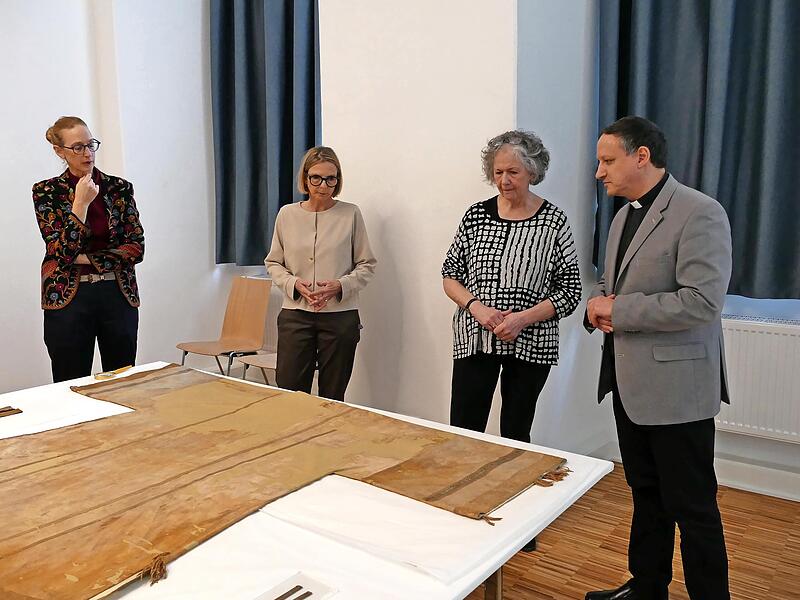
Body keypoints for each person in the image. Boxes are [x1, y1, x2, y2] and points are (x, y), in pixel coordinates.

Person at [585, 116, 732, 600]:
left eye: (608, 161)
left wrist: (618, 309)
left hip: (678, 392)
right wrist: (598, 306)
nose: (599, 172)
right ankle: (648, 588)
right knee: (646, 496)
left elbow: (702, 302)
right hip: (630, 386)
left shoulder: (700, 212)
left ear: (641, 156)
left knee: (693, 508)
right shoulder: (622, 217)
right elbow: (613, 288)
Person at [442, 130, 581, 444]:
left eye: (513, 172)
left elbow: (570, 292)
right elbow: (450, 275)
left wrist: (521, 319)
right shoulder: (476, 216)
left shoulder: (554, 222)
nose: (504, 180)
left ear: (532, 171)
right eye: (498, 172)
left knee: (516, 432)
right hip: (476, 337)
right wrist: (478, 309)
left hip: (532, 341)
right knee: (464, 428)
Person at [33, 116, 145, 383]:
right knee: (70, 381)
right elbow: (63, 253)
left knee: (121, 381)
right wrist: (80, 205)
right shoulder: (46, 192)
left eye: (90, 144)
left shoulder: (119, 188)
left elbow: (136, 248)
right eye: (78, 147)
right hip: (68, 298)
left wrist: (87, 259)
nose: (87, 153)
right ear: (59, 151)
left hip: (117, 293)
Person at [265, 146, 376, 401]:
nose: (323, 185)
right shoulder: (287, 214)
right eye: (316, 178)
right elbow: (273, 262)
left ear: (337, 180)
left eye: (330, 179)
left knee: (333, 396)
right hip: (295, 315)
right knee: (290, 391)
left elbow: (367, 264)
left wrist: (340, 285)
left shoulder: (350, 213)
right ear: (305, 178)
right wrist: (293, 283)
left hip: (340, 317)